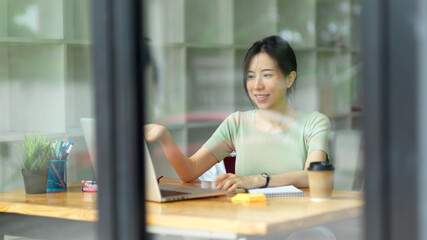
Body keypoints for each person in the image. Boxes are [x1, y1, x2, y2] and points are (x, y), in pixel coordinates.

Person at [144, 35, 330, 192]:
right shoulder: (237, 123)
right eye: (251, 76)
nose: (256, 85)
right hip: (246, 223)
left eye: (267, 75)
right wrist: (165, 137)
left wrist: (258, 180)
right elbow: (190, 171)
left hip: (296, 226)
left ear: (289, 79)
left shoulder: (314, 123)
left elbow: (314, 177)